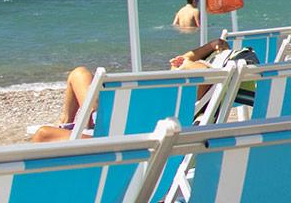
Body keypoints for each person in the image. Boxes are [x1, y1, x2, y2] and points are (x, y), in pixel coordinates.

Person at [30, 37, 249, 142]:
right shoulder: (188, 89)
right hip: (124, 125)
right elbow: (192, 61)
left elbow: (193, 63)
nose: (176, 62)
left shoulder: (199, 76)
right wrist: (212, 47)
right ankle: (73, 123)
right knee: (78, 74)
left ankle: (74, 125)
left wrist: (188, 61)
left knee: (43, 134)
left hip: (120, 141)